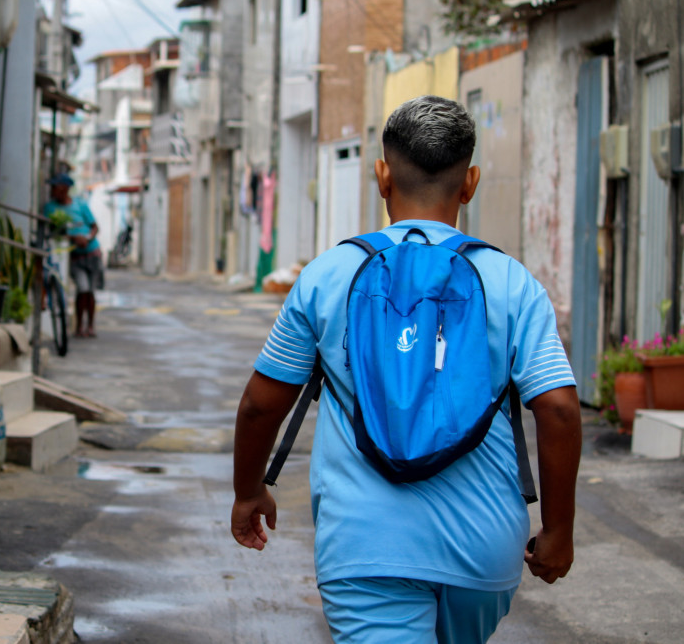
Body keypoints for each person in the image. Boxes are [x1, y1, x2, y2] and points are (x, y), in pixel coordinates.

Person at [231, 96, 582, 643]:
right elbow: (557, 408)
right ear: (470, 183)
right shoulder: (512, 283)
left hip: (366, 545)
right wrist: (558, 530)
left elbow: (260, 404)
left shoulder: (328, 275)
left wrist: (248, 490)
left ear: (380, 176)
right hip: (483, 546)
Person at [43, 173, 104, 338]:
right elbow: (51, 231)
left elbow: (94, 227)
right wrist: (72, 238)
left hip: (92, 253)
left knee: (90, 292)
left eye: (55, 187)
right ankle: (78, 326)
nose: (52, 190)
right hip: (74, 256)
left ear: (64, 189)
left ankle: (90, 326)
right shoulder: (50, 208)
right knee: (82, 289)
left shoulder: (81, 205)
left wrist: (87, 238)